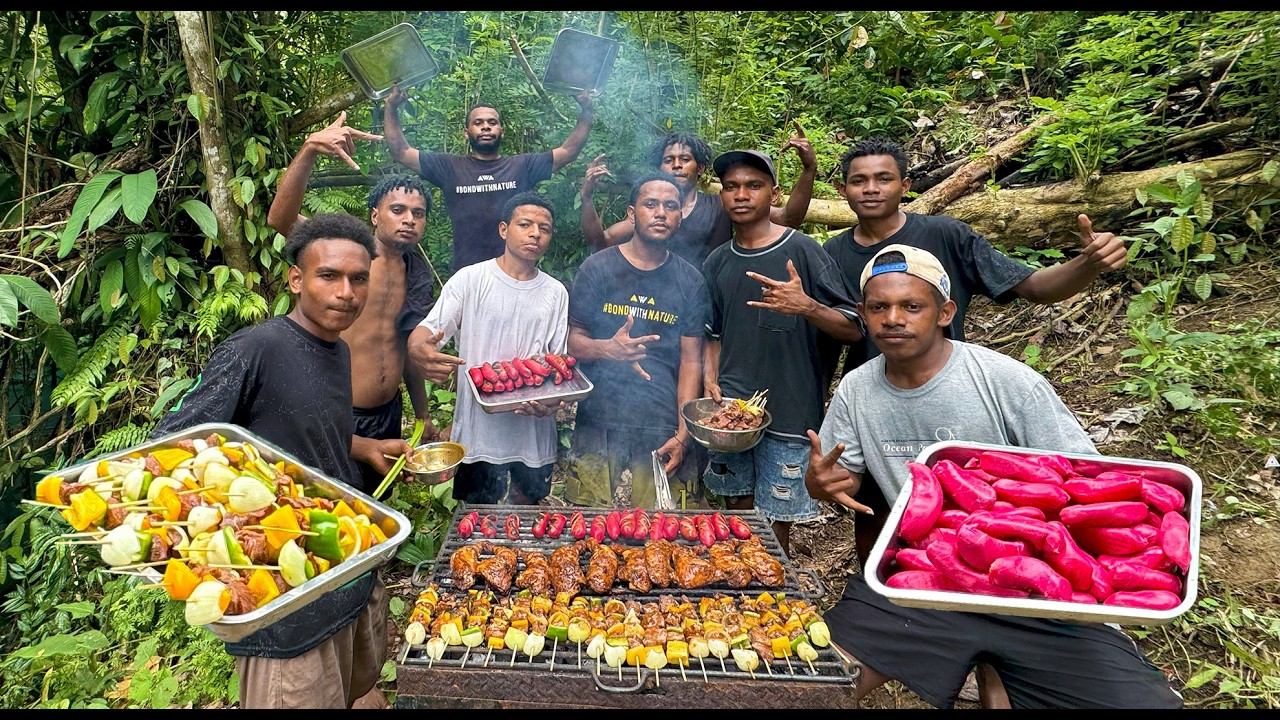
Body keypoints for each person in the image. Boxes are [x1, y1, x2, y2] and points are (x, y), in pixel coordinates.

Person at [805, 243, 1183, 710]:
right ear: (863, 314)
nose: (893, 318)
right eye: (879, 307)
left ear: (945, 312)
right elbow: (835, 479)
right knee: (813, 684)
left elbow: (1086, 483)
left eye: (911, 306)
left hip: (1033, 590)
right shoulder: (857, 390)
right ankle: (988, 665)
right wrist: (820, 484)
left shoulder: (1006, 381)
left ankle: (998, 669)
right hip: (926, 575)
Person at [819, 135, 1130, 574]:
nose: (871, 188)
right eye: (859, 180)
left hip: (952, 389)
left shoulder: (943, 235)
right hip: (877, 404)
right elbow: (836, 332)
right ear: (843, 190)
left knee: (979, 504)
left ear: (905, 184)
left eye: (883, 178)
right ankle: (885, 592)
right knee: (880, 510)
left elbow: (1033, 286)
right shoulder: (831, 253)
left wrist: (1087, 263)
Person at [152, 213, 409, 709]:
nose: (346, 292)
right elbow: (173, 447)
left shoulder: (336, 350)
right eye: (328, 276)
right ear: (296, 279)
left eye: (358, 279)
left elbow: (296, 426)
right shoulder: (257, 348)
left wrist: (361, 446)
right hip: (285, 600)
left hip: (343, 568)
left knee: (358, 690)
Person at [266, 111, 439, 494]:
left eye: (418, 213)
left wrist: (423, 413)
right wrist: (310, 148)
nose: (408, 219)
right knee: (325, 509)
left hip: (387, 414)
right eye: (398, 210)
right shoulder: (347, 260)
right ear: (375, 214)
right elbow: (281, 219)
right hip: (336, 413)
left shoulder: (416, 274)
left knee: (378, 508)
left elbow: (406, 348)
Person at [701, 149, 864, 555]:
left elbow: (854, 329)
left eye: (753, 186)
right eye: (731, 187)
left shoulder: (804, 250)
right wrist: (708, 378)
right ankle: (737, 578)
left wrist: (806, 306)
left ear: (774, 195)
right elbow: (712, 332)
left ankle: (776, 585)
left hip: (791, 405)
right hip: (732, 407)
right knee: (736, 499)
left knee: (777, 515)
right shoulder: (718, 261)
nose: (741, 195)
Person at [407, 192, 569, 505]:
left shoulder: (555, 292)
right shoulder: (470, 279)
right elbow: (430, 330)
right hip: (478, 435)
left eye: (544, 228)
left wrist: (552, 402)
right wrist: (417, 347)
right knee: (475, 520)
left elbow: (556, 363)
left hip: (533, 434)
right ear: (504, 229)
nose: (535, 233)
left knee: (527, 516)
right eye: (525, 224)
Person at [564, 171, 710, 509]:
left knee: (668, 530)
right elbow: (573, 342)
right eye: (650, 204)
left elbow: (692, 360)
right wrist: (608, 349)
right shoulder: (597, 269)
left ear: (680, 216)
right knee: (588, 525)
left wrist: (684, 435)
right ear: (631, 214)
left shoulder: (690, 281)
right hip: (598, 419)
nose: (660, 213)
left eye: (670, 206)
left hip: (663, 422)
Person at [383, 83, 596, 271]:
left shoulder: (522, 166)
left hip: (515, 271)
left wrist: (587, 110)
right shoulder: (448, 167)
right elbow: (401, 152)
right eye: (478, 123)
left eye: (492, 122)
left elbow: (568, 151)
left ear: (501, 131)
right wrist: (391, 107)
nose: (486, 126)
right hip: (467, 273)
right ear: (466, 132)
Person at [580, 123, 817, 268]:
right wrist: (587, 198)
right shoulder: (652, 212)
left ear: (700, 168)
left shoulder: (720, 205)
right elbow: (600, 242)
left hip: (708, 303)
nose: (676, 166)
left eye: (685, 160)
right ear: (659, 169)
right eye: (668, 160)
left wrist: (809, 170)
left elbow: (788, 219)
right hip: (660, 304)